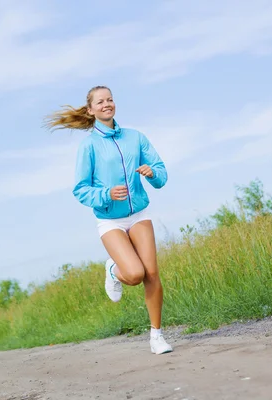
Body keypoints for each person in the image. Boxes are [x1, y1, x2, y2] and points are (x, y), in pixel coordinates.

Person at [44, 86, 173, 355]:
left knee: (151, 273)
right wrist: (106, 193)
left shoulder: (135, 137)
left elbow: (161, 173)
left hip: (139, 213)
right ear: (90, 110)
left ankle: (157, 336)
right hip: (110, 220)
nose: (107, 104)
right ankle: (113, 270)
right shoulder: (89, 145)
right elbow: (80, 189)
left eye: (110, 99)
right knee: (135, 274)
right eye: (100, 102)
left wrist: (152, 173)